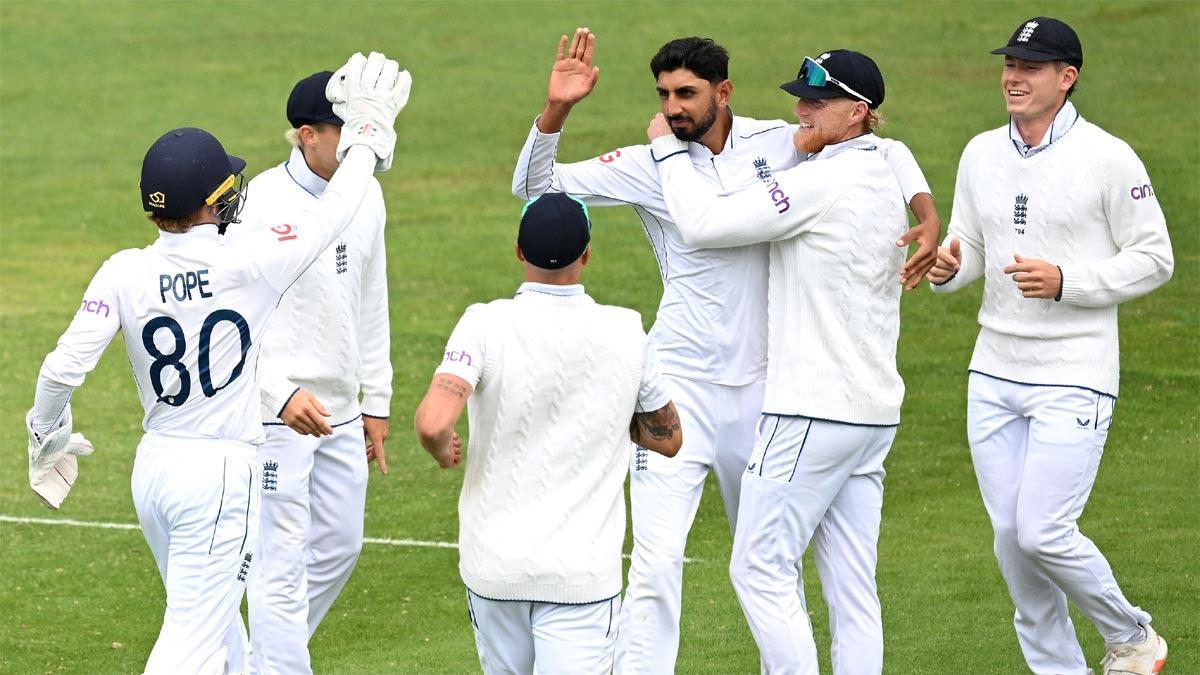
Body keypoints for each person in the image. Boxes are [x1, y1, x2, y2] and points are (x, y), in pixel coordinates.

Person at [513, 29, 940, 673]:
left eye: (686, 93)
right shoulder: (646, 160)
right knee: (655, 566)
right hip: (677, 388)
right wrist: (557, 110)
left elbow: (884, 148)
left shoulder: (783, 142)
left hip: (769, 393)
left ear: (724, 92)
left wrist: (925, 210)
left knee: (771, 561)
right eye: (664, 94)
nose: (673, 106)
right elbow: (533, 185)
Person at [24, 52, 410, 673]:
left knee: (224, 637)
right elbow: (334, 213)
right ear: (218, 200)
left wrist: (47, 439)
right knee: (191, 649)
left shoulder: (124, 270)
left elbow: (61, 369)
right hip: (222, 472)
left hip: (154, 470)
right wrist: (366, 135)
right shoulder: (250, 262)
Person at [649, 48, 910, 675]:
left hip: (812, 410)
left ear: (857, 112)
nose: (800, 112)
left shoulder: (821, 179)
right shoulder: (884, 166)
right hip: (872, 414)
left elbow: (705, 223)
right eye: (801, 98)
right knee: (852, 588)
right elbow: (901, 153)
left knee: (759, 566)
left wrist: (663, 149)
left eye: (817, 103)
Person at [926, 16, 1173, 675]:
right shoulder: (981, 152)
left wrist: (1069, 281)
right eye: (1009, 63)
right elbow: (971, 245)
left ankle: (1134, 636)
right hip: (994, 372)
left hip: (1075, 373)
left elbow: (1156, 259)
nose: (1013, 76)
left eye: (1030, 67)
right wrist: (950, 270)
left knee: (1042, 531)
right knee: (1012, 543)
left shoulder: (1109, 157)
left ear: (1067, 78)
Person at [413, 192, 683, 675]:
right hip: (581, 575)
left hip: (495, 569)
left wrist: (441, 451)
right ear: (587, 254)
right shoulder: (627, 331)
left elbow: (434, 423)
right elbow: (668, 438)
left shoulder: (484, 323)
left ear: (519, 250)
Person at [243, 70, 393, 675]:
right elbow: (234, 319)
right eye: (347, 130)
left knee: (338, 546)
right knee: (277, 560)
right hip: (277, 413)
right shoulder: (256, 202)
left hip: (342, 410)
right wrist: (277, 392)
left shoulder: (367, 195)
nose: (363, 141)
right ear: (307, 135)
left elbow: (371, 296)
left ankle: (255, 660)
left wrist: (376, 400)